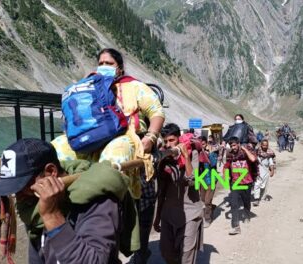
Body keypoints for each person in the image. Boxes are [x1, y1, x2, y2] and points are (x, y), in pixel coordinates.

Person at [51, 48, 165, 263]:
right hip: (90, 140)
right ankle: (61, 201)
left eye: (109, 63)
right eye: (100, 62)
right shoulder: (87, 86)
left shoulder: (135, 87)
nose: (103, 66)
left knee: (115, 156)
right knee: (55, 148)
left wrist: (149, 137)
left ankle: (107, 211)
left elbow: (156, 112)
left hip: (125, 138)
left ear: (119, 67)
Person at [0, 138, 129, 263]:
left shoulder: (98, 200)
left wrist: (52, 216)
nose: (18, 197)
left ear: (50, 172)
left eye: (22, 187)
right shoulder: (33, 208)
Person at [153, 124, 204, 264]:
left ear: (179, 139)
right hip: (168, 213)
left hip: (190, 213)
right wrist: (157, 217)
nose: (168, 145)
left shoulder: (192, 154)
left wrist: (185, 157)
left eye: (171, 140)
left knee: (186, 256)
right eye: (165, 141)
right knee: (166, 253)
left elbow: (194, 182)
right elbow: (161, 191)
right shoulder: (164, 158)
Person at [224, 136, 257, 235]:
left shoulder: (245, 152)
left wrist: (244, 149)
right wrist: (226, 177)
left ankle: (247, 214)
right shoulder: (230, 154)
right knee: (234, 204)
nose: (233, 147)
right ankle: (236, 227)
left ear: (238, 144)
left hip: (247, 182)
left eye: (234, 145)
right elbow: (226, 165)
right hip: (235, 182)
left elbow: (253, 159)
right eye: (231, 145)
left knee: (246, 201)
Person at [199, 136, 217, 228]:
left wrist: (207, 155)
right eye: (200, 145)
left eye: (203, 144)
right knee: (202, 199)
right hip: (202, 180)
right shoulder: (197, 154)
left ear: (206, 144)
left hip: (212, 179)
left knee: (207, 201)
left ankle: (207, 219)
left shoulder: (212, 152)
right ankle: (211, 208)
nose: (201, 146)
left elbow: (213, 164)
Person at [252, 139, 275, 206]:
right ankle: (256, 199)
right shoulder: (256, 152)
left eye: (266, 145)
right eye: (263, 145)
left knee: (263, 187)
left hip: (265, 173)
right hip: (257, 172)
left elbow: (271, 163)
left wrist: (272, 171)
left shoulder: (269, 153)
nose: (265, 146)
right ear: (261, 145)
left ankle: (261, 197)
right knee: (256, 185)